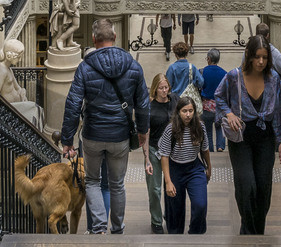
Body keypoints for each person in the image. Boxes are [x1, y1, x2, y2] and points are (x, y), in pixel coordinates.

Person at [59, 18, 150, 235]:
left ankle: (98, 228)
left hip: (93, 135)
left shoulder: (85, 67)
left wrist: (67, 140)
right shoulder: (133, 65)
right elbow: (144, 104)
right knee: (117, 184)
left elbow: (73, 104)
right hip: (120, 136)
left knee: (92, 181)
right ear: (115, 38)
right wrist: (143, 132)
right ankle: (117, 228)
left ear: (93, 39)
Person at [214, 37, 281, 235]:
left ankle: (258, 229)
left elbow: (280, 110)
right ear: (249, 56)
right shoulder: (234, 77)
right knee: (246, 184)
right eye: (257, 57)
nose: (261, 62)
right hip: (240, 138)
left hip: (265, 139)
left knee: (263, 186)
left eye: (265, 58)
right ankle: (247, 228)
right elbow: (219, 96)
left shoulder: (274, 79)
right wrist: (229, 113)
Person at [159, 95, 211, 235]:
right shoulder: (171, 129)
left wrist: (209, 168)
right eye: (184, 111)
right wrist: (168, 181)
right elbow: (164, 156)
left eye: (190, 110)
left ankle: (195, 233)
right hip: (175, 168)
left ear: (195, 111)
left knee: (200, 205)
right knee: (175, 210)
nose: (188, 115)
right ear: (178, 112)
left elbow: (205, 149)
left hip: (194, 168)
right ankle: (176, 236)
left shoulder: (200, 127)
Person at [145, 74, 173, 234]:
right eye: (161, 88)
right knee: (155, 189)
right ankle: (156, 220)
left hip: (172, 152)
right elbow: (146, 135)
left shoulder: (174, 101)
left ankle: (170, 215)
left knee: (171, 185)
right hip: (155, 150)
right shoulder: (150, 108)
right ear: (155, 90)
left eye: (166, 87)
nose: (164, 91)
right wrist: (147, 157)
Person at [200, 48, 228, 151]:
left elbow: (199, 84)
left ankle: (210, 149)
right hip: (219, 106)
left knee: (207, 130)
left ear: (208, 58)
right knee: (219, 126)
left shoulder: (202, 71)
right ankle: (220, 146)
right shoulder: (224, 73)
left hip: (206, 105)